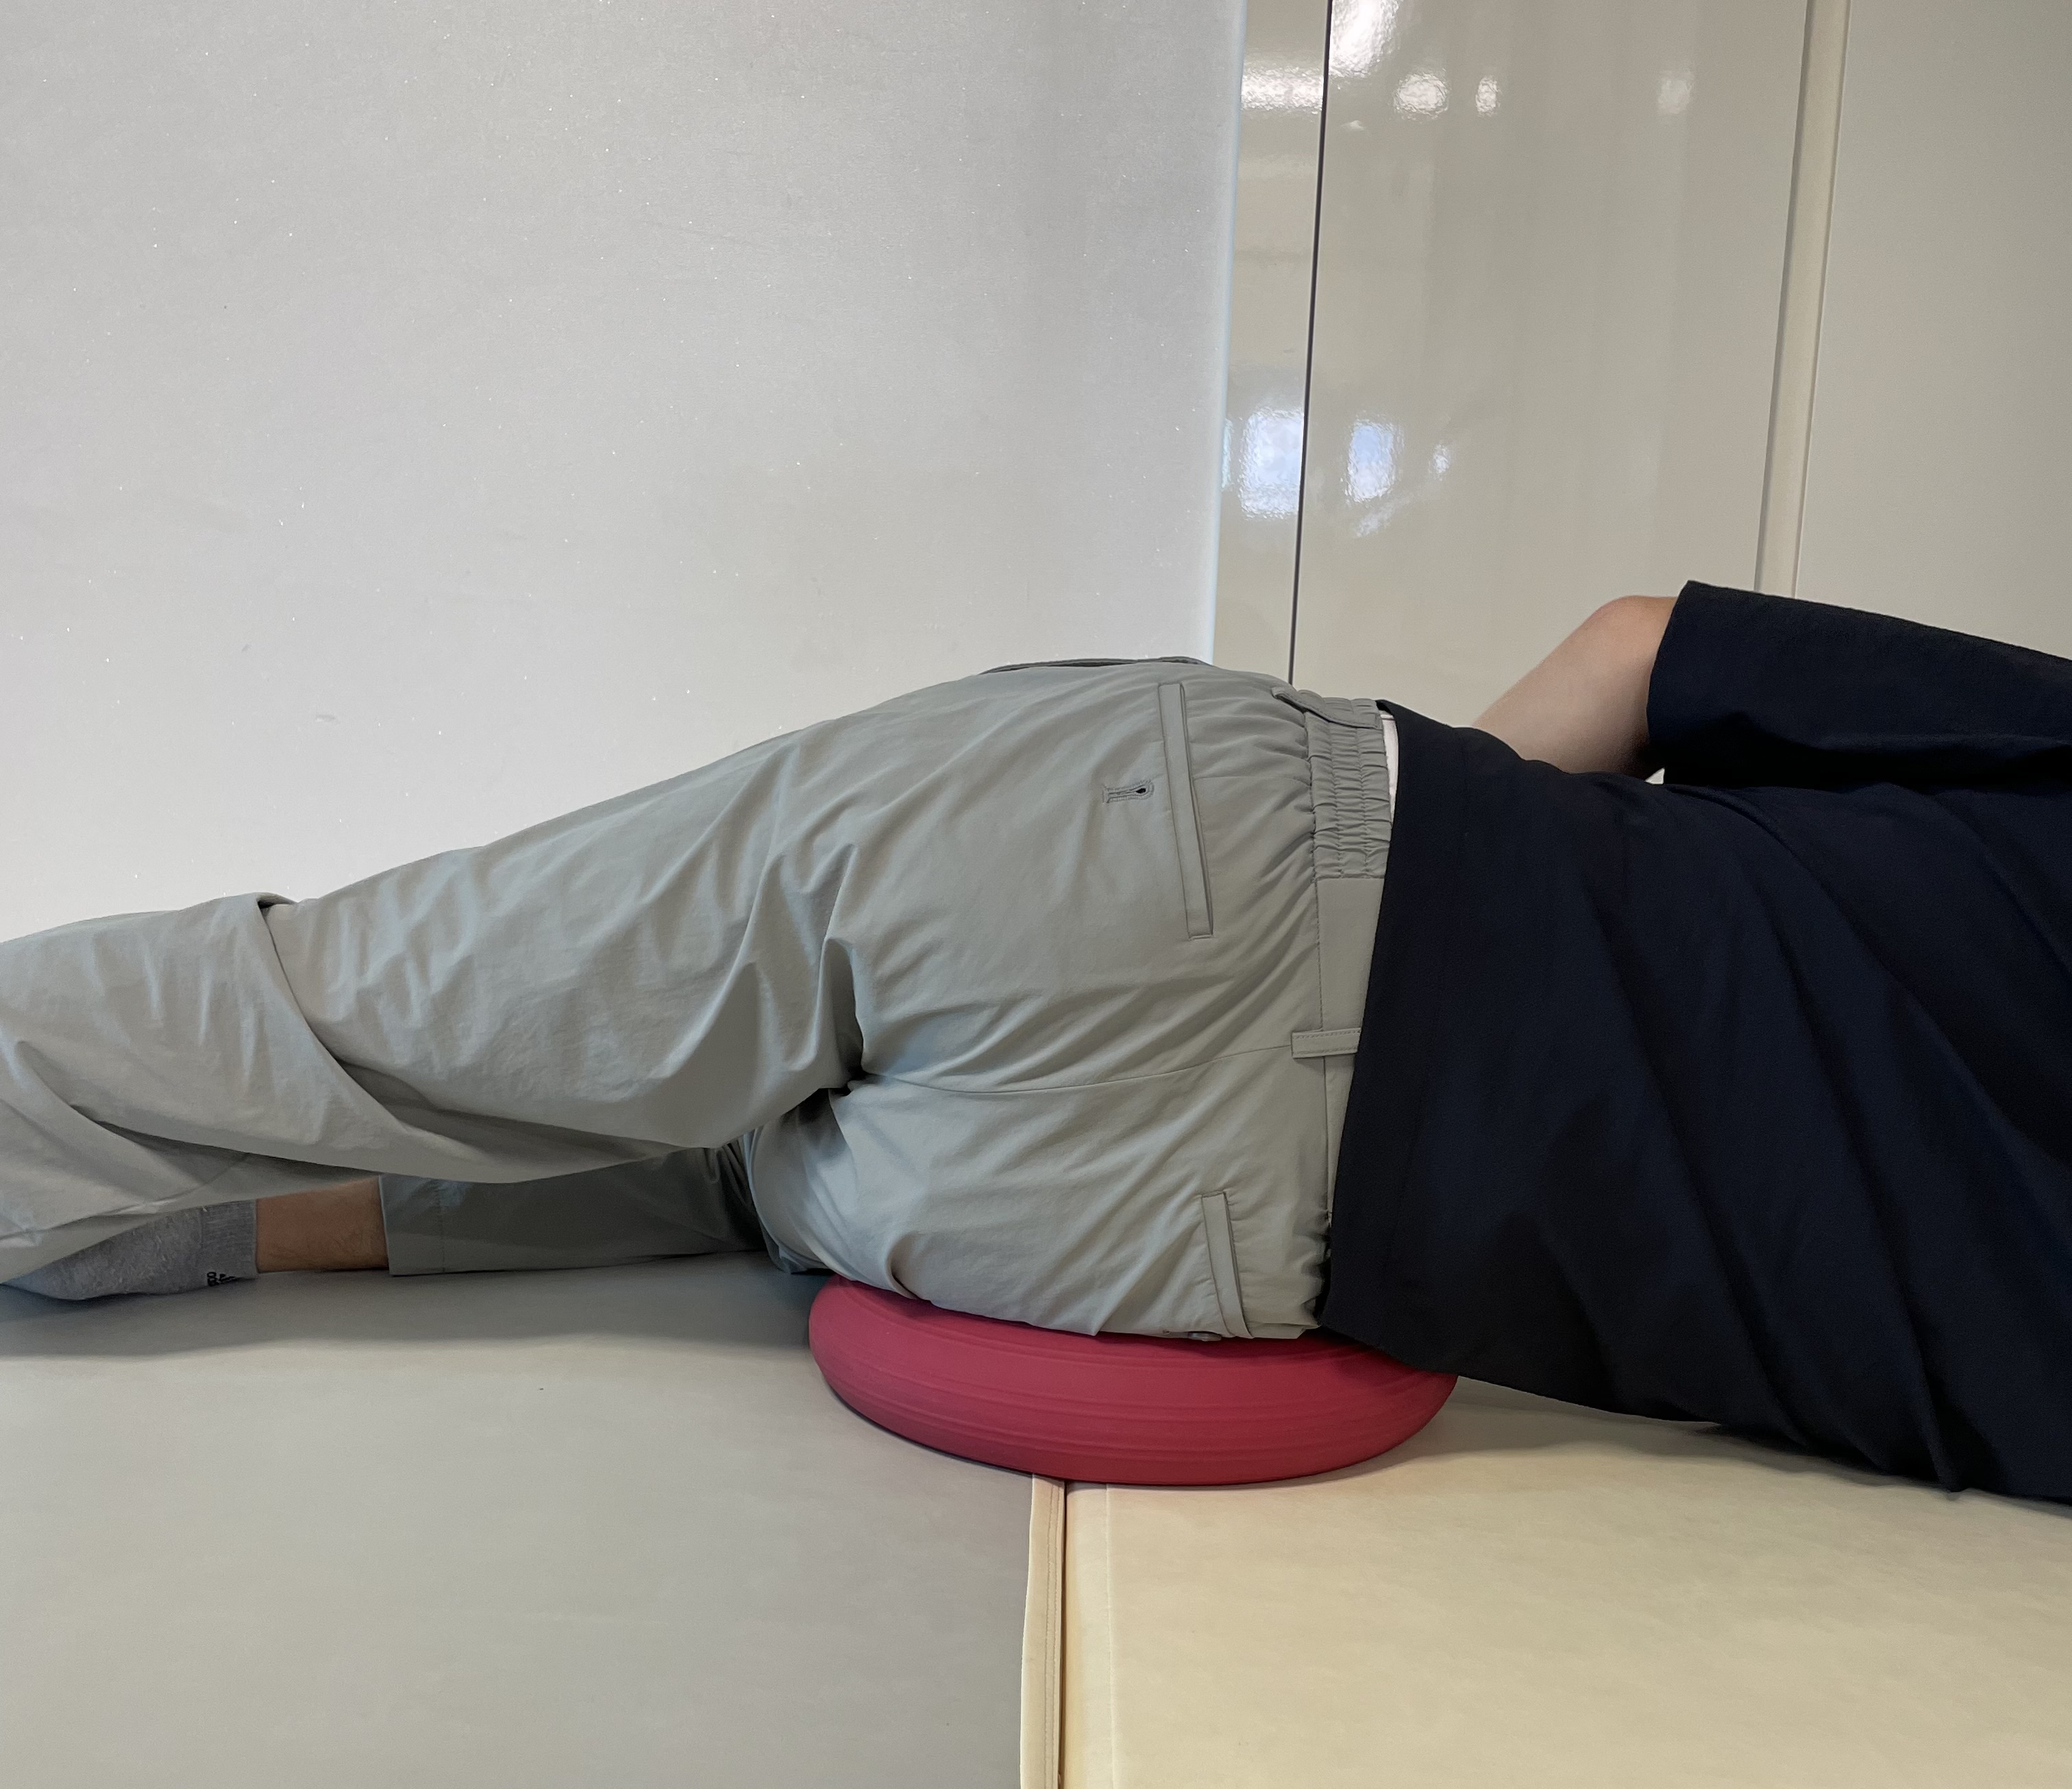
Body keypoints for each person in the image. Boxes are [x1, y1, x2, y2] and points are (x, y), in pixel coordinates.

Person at [6, 585, 2071, 1505]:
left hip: (1192, 865)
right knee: (739, 1171)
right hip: (1181, 1244)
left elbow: (1642, 655)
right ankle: (206, 1237)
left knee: (349, 1010)